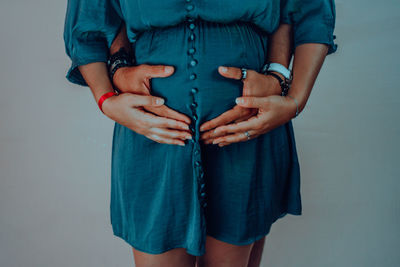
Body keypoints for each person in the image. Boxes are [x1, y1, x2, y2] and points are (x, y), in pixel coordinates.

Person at [63, 0, 337, 266]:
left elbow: (308, 8)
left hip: (247, 133)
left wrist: (292, 97)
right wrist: (107, 99)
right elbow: (91, 17)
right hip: (151, 136)